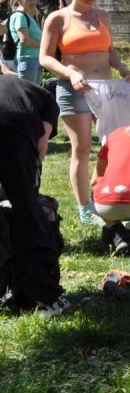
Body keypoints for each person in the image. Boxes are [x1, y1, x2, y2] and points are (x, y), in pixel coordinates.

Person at [38, 0, 130, 225]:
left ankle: (116, 197)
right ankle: (85, 207)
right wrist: (69, 74)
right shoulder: (58, 18)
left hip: (107, 89)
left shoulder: (103, 15)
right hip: (74, 89)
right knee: (81, 148)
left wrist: (122, 68)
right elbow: (45, 58)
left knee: (114, 146)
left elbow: (109, 50)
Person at [0, 74, 68, 316]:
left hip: (14, 128)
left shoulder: (22, 89)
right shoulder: (24, 86)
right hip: (15, 131)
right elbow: (50, 104)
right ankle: (46, 295)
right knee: (27, 211)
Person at [8, 0, 41, 83]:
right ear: (19, 0)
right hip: (27, 60)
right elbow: (25, 40)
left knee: (33, 93)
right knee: (28, 94)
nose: (33, 2)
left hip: (34, 59)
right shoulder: (20, 16)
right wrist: (44, 46)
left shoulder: (28, 16)